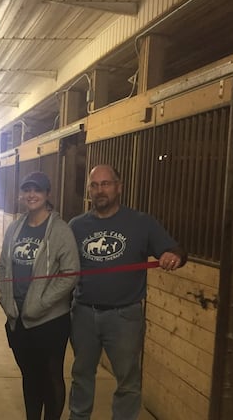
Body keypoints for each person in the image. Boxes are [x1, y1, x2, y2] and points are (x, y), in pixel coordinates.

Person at [68, 164, 186, 420]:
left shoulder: (142, 223)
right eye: (95, 185)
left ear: (119, 187)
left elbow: (176, 251)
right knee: (81, 376)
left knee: (128, 381)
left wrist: (171, 255)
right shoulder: (76, 226)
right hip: (84, 314)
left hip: (124, 317)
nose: (100, 190)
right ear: (89, 190)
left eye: (106, 184)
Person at [0, 172, 80, 420]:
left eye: (37, 190)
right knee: (29, 375)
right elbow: (2, 267)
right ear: (22, 195)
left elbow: (70, 273)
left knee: (52, 375)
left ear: (47, 195)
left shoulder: (60, 231)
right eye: (27, 190)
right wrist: (6, 299)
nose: (31, 195)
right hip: (18, 317)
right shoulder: (14, 228)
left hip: (49, 320)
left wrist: (42, 303)